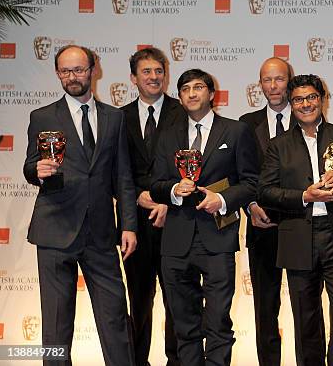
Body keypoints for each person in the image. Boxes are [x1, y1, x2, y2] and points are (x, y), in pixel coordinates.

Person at [23, 44, 137, 365]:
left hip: (101, 234)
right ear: (58, 74)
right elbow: (31, 165)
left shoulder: (115, 118)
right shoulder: (42, 116)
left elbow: (124, 178)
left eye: (79, 70)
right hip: (55, 230)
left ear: (93, 70)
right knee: (56, 326)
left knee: (115, 318)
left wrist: (128, 225)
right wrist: (37, 171)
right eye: (66, 71)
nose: (73, 77)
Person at [258, 74, 333, 366]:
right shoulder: (278, 145)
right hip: (299, 238)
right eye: (298, 99)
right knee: (306, 319)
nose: (305, 104)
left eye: (311, 97)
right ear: (291, 103)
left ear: (322, 99)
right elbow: (265, 191)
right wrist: (304, 196)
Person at [150, 69, 258, 365]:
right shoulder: (168, 135)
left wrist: (222, 199)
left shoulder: (235, 131)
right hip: (175, 242)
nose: (192, 93)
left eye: (199, 87)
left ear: (212, 93)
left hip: (218, 239)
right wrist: (174, 189)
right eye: (185, 89)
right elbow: (155, 185)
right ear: (180, 96)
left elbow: (251, 182)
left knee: (218, 323)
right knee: (184, 326)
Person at [121, 47, 184, 366]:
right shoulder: (119, 117)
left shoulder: (183, 112)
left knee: (178, 300)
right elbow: (116, 169)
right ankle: (137, 360)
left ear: (165, 74)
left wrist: (168, 201)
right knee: (139, 300)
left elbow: (193, 166)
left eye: (158, 71)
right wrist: (137, 196)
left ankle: (177, 360)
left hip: (177, 221)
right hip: (135, 225)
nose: (153, 77)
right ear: (134, 78)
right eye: (146, 72)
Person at [239, 57, 295, 366]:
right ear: (260, 84)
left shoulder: (307, 119)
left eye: (279, 79)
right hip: (261, 228)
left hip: (301, 227)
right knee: (265, 309)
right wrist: (250, 205)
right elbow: (239, 174)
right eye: (267, 80)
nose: (273, 86)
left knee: (306, 308)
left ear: (289, 80)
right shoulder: (246, 124)